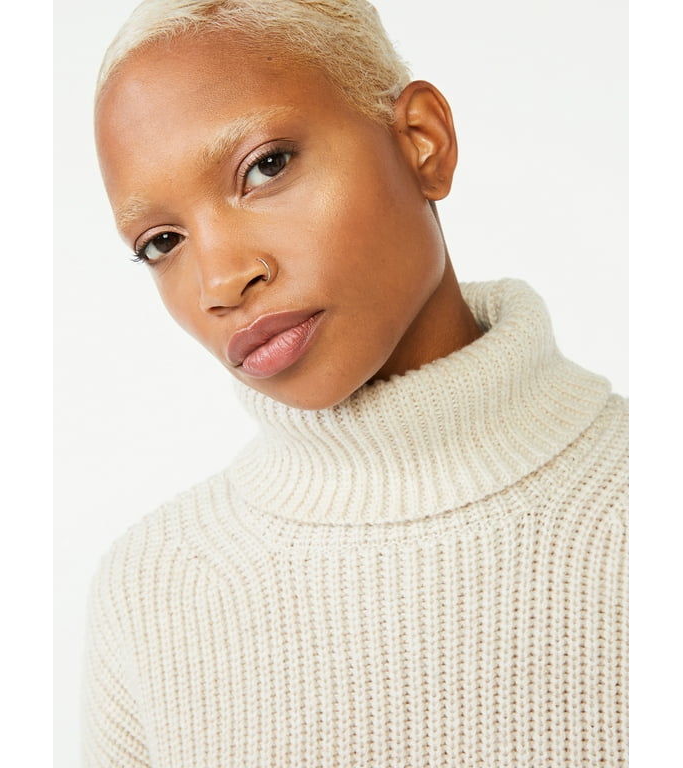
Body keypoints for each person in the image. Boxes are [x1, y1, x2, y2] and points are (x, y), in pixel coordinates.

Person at [83, 0, 628, 765]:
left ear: (423, 142)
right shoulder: (152, 590)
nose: (220, 280)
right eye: (162, 242)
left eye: (266, 166)